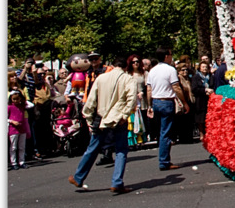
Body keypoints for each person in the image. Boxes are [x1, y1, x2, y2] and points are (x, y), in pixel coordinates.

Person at [67, 56, 136, 194]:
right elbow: (132, 98)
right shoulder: (128, 79)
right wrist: (125, 115)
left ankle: (78, 176)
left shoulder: (101, 78)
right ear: (125, 67)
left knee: (93, 148)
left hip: (101, 117)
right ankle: (117, 182)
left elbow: (91, 99)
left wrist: (89, 116)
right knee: (121, 149)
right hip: (117, 118)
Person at [147, 47, 190, 171]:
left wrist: (150, 105)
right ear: (166, 56)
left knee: (161, 131)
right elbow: (176, 87)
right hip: (166, 102)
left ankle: (163, 158)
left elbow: (149, 89)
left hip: (155, 101)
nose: (171, 57)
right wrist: (184, 102)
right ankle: (164, 161)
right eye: (170, 55)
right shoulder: (170, 70)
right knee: (166, 132)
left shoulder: (152, 71)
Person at [126, 54, 147, 148]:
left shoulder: (144, 74)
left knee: (142, 119)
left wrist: (142, 92)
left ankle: (141, 139)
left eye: (137, 61)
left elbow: (148, 86)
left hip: (142, 100)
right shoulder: (127, 74)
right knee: (132, 120)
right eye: (133, 62)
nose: (136, 63)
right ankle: (133, 140)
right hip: (131, 100)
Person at [8, 90, 32, 170]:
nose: (16, 101)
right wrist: (12, 121)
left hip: (22, 128)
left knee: (22, 146)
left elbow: (31, 105)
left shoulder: (22, 106)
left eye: (17, 99)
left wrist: (23, 99)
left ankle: (22, 161)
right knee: (13, 147)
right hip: (13, 129)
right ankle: (13, 162)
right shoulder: (9, 107)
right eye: (14, 99)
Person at [191, 61, 214, 142]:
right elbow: (194, 88)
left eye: (206, 67)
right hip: (200, 100)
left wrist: (211, 91)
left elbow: (213, 85)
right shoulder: (196, 77)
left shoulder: (211, 76)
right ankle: (201, 133)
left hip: (209, 98)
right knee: (200, 118)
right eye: (203, 67)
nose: (204, 68)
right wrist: (204, 90)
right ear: (200, 68)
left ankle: (209, 133)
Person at [174, 62, 195, 144]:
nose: (185, 71)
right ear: (179, 71)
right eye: (183, 70)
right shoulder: (178, 79)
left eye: (186, 70)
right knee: (183, 121)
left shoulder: (188, 79)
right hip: (183, 102)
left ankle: (189, 137)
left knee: (189, 121)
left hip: (190, 101)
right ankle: (183, 138)